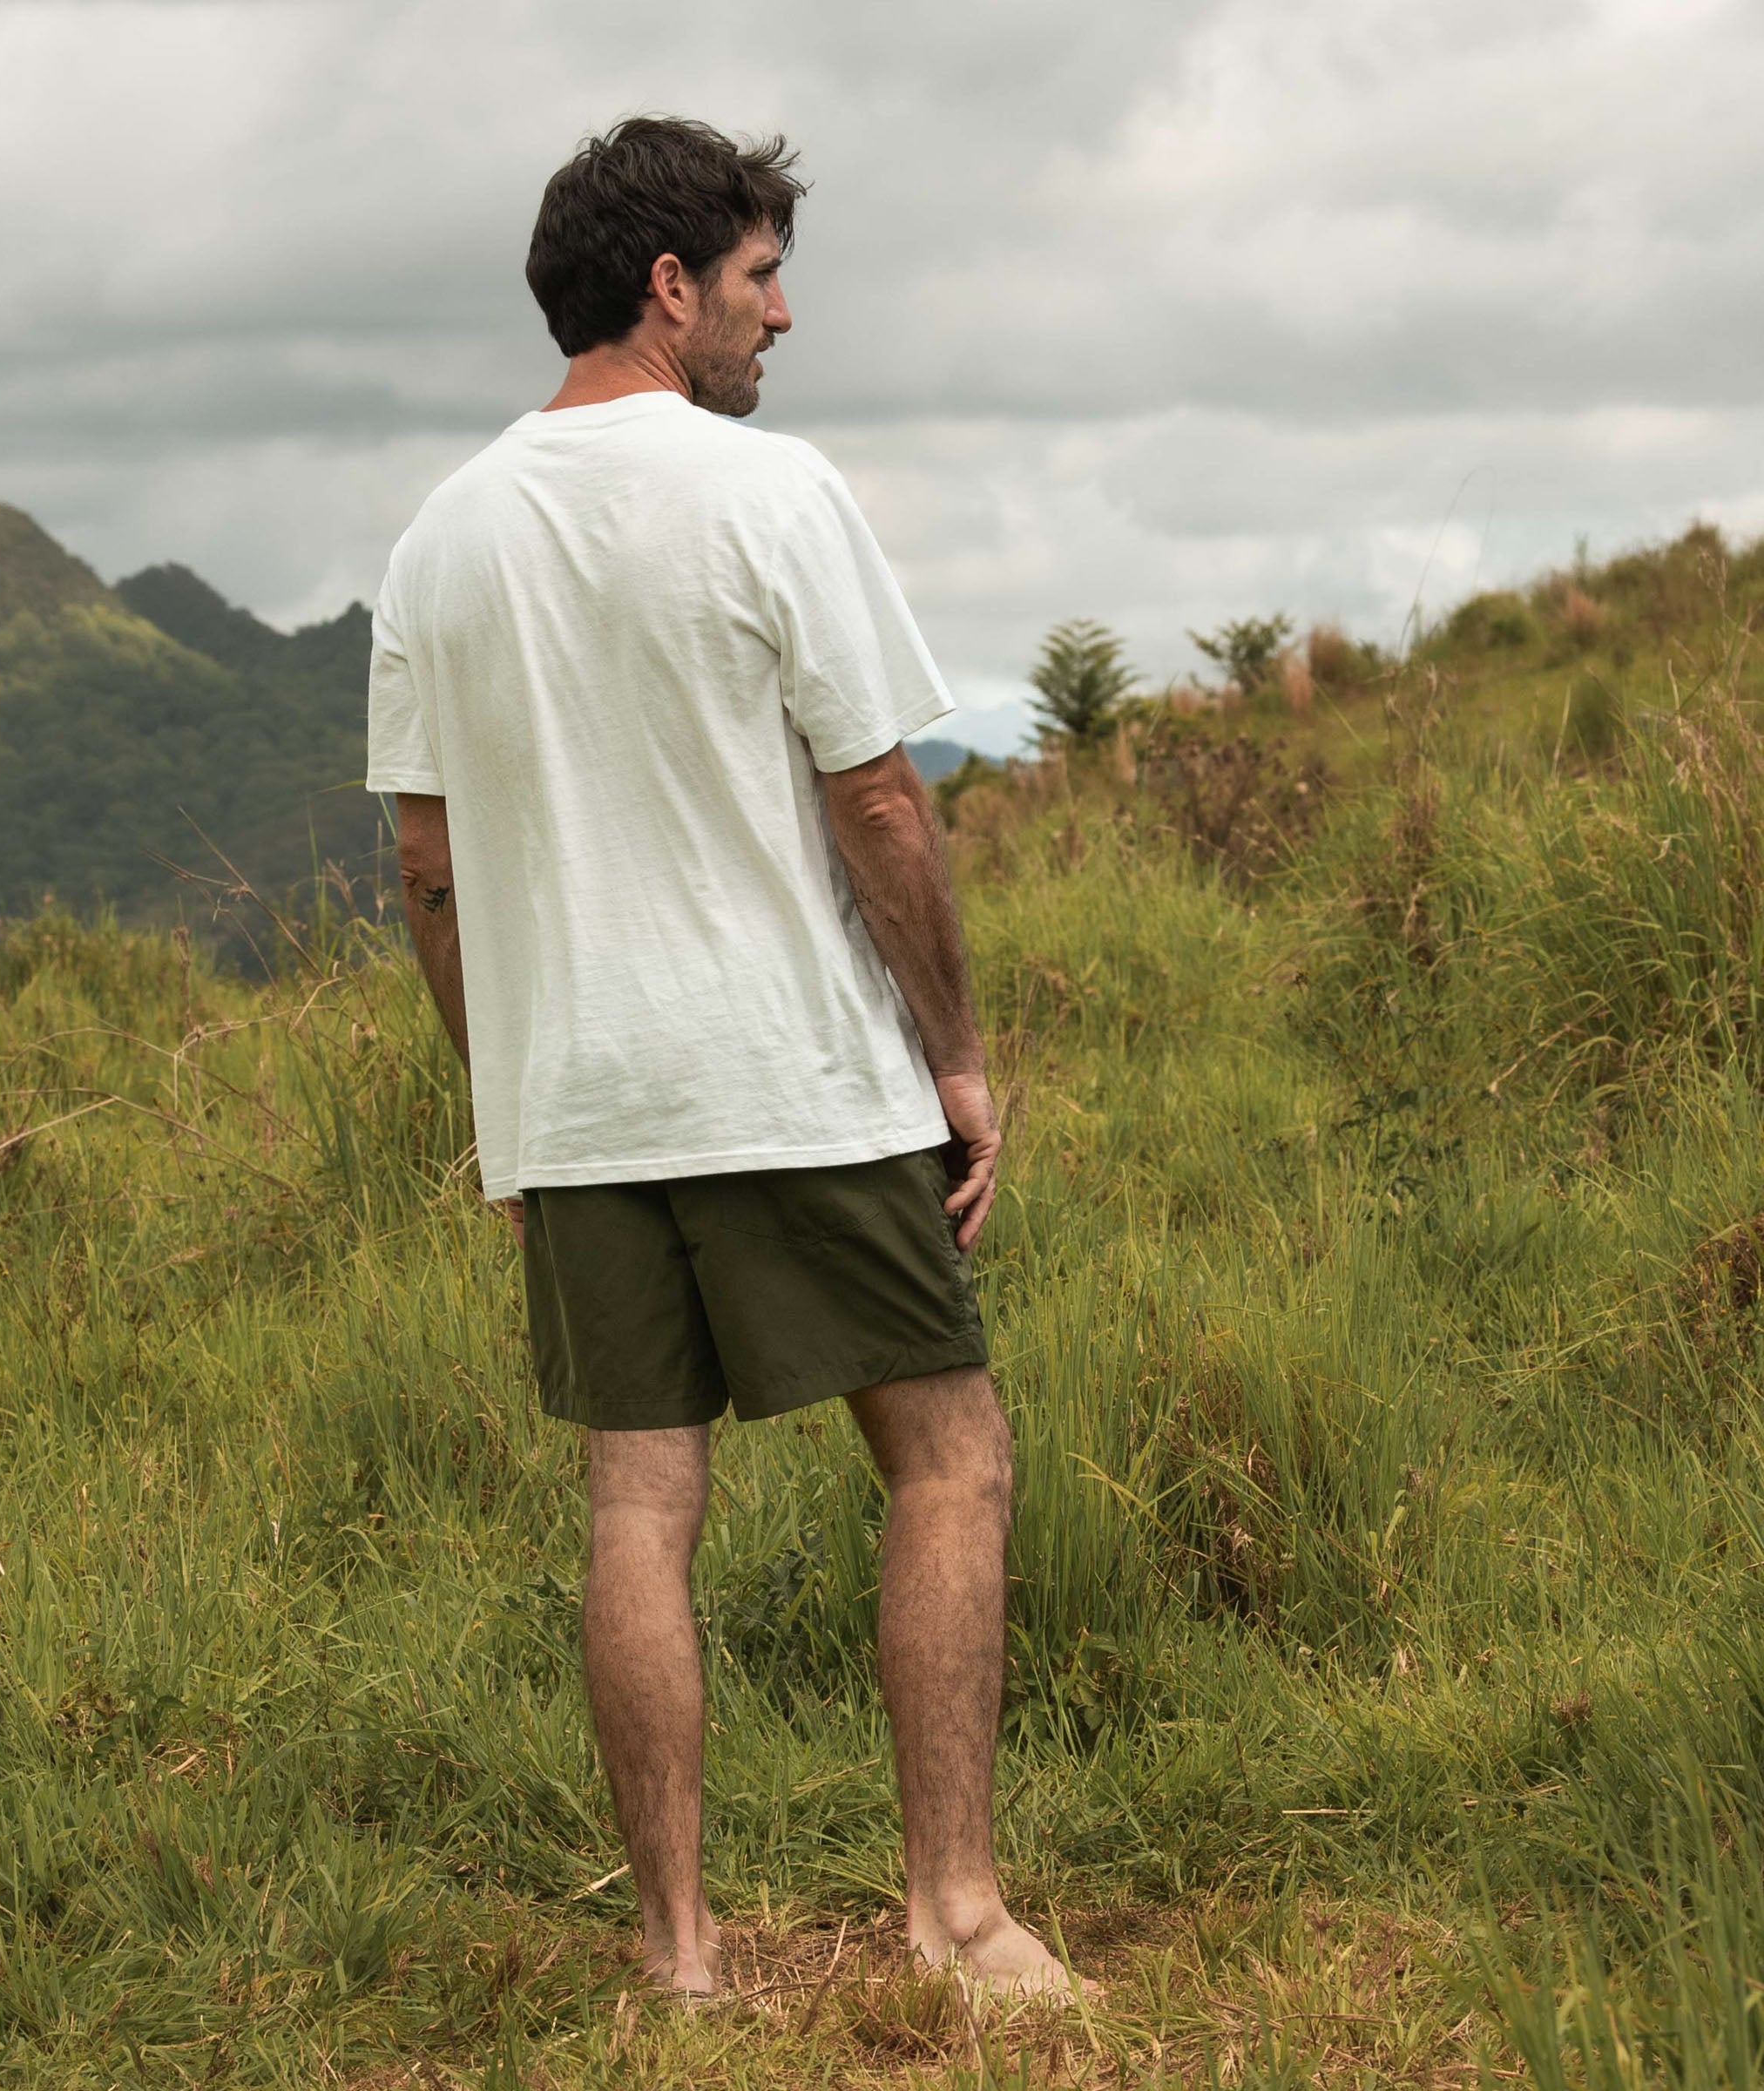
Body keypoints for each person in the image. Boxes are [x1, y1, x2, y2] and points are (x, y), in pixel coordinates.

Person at [366, 115, 1078, 2000]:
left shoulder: (438, 542)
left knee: (637, 1506)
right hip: (794, 1075)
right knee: (948, 1458)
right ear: (671, 286)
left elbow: (428, 875)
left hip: (578, 1112)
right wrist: (960, 1055)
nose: (787, 314)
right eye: (763, 276)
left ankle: (680, 1963)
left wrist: (506, 1105)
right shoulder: (772, 497)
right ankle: (958, 1917)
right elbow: (880, 801)